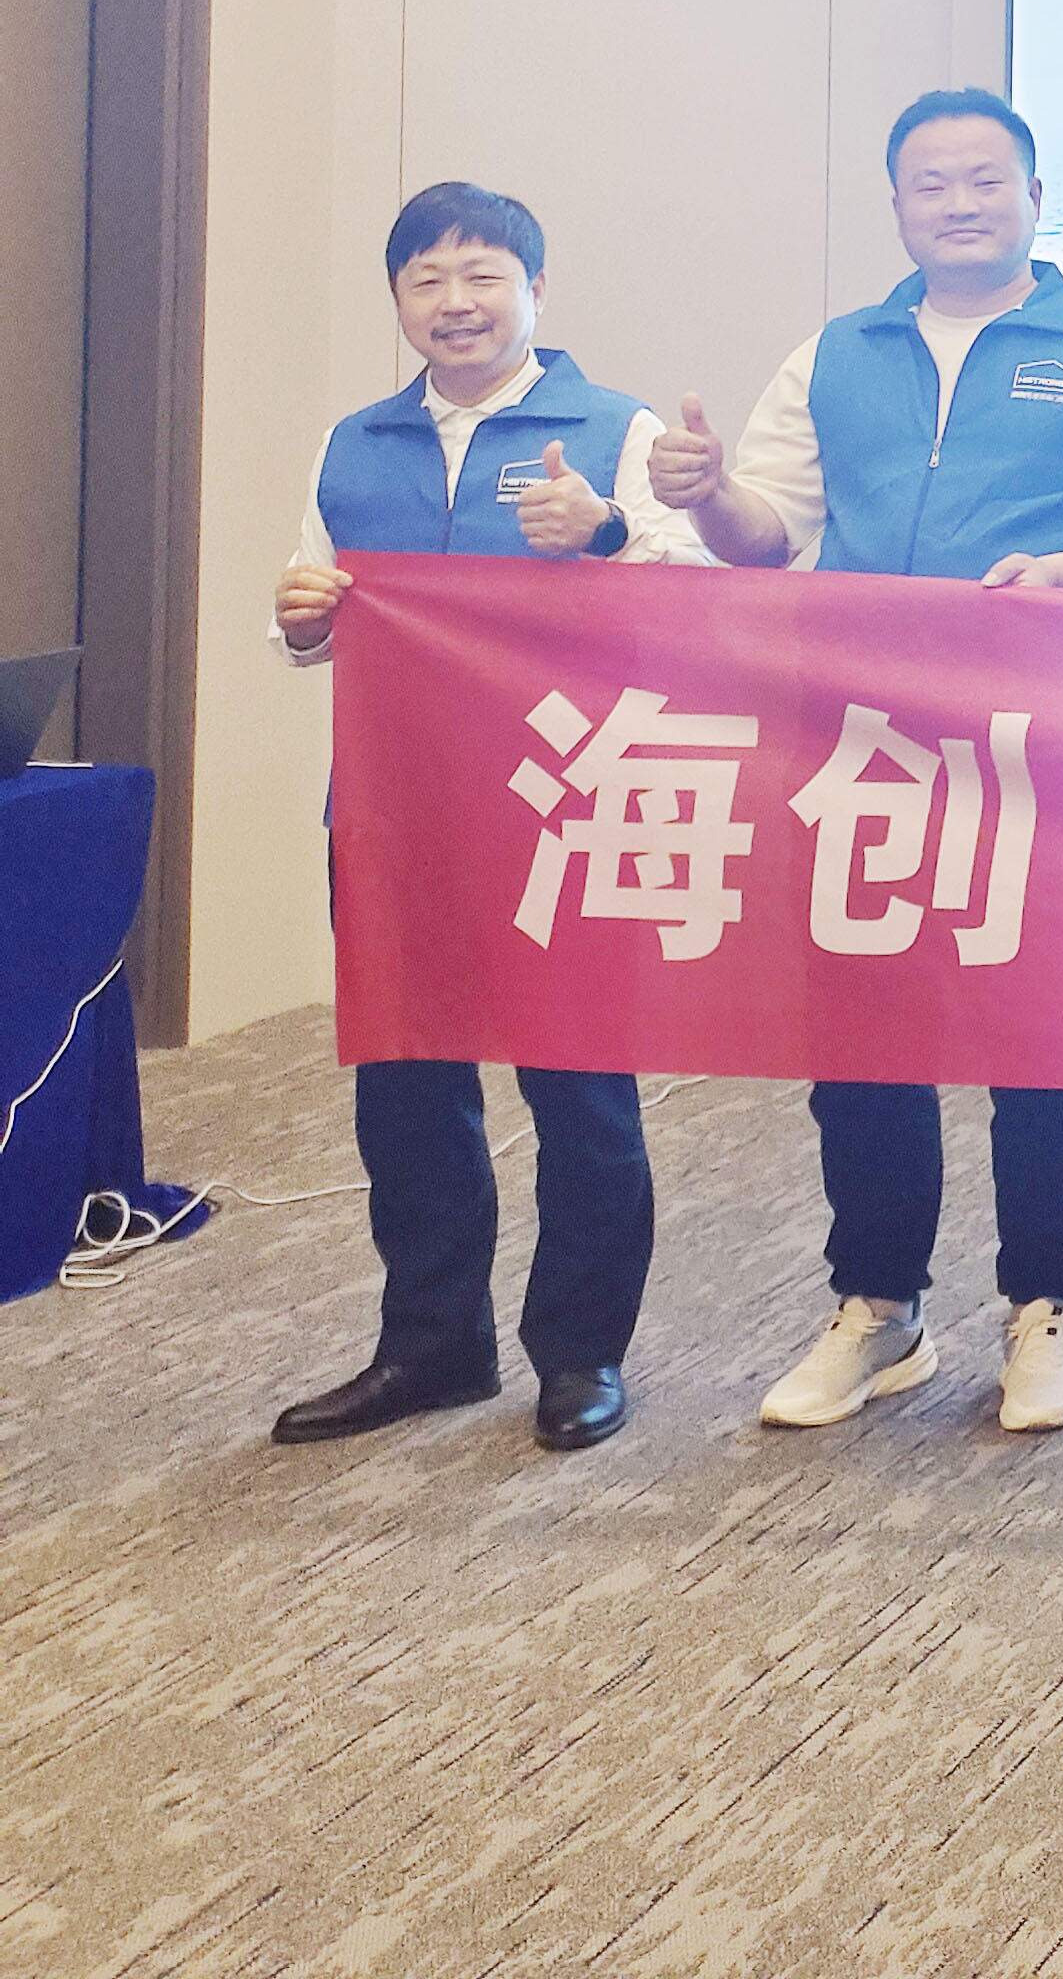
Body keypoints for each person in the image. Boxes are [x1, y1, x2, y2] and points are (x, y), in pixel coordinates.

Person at [653, 88, 1063, 1436]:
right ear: (898, 206)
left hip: (1041, 740)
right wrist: (706, 492)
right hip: (865, 745)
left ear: (1035, 197)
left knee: (1040, 1030)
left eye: (985, 180)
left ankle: (1043, 1310)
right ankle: (879, 1306)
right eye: (932, 184)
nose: (960, 203)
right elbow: (769, 533)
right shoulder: (838, 353)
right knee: (863, 1031)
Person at [266, 183, 696, 1453]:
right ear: (399, 299)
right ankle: (431, 1345)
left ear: (535, 292)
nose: (455, 303)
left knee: (580, 1088)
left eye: (483, 276)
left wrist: (604, 532)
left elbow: (697, 599)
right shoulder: (354, 443)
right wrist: (296, 622)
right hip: (396, 811)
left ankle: (581, 1354)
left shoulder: (612, 429)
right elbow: (311, 613)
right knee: (406, 1089)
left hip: (569, 806)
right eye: (427, 280)